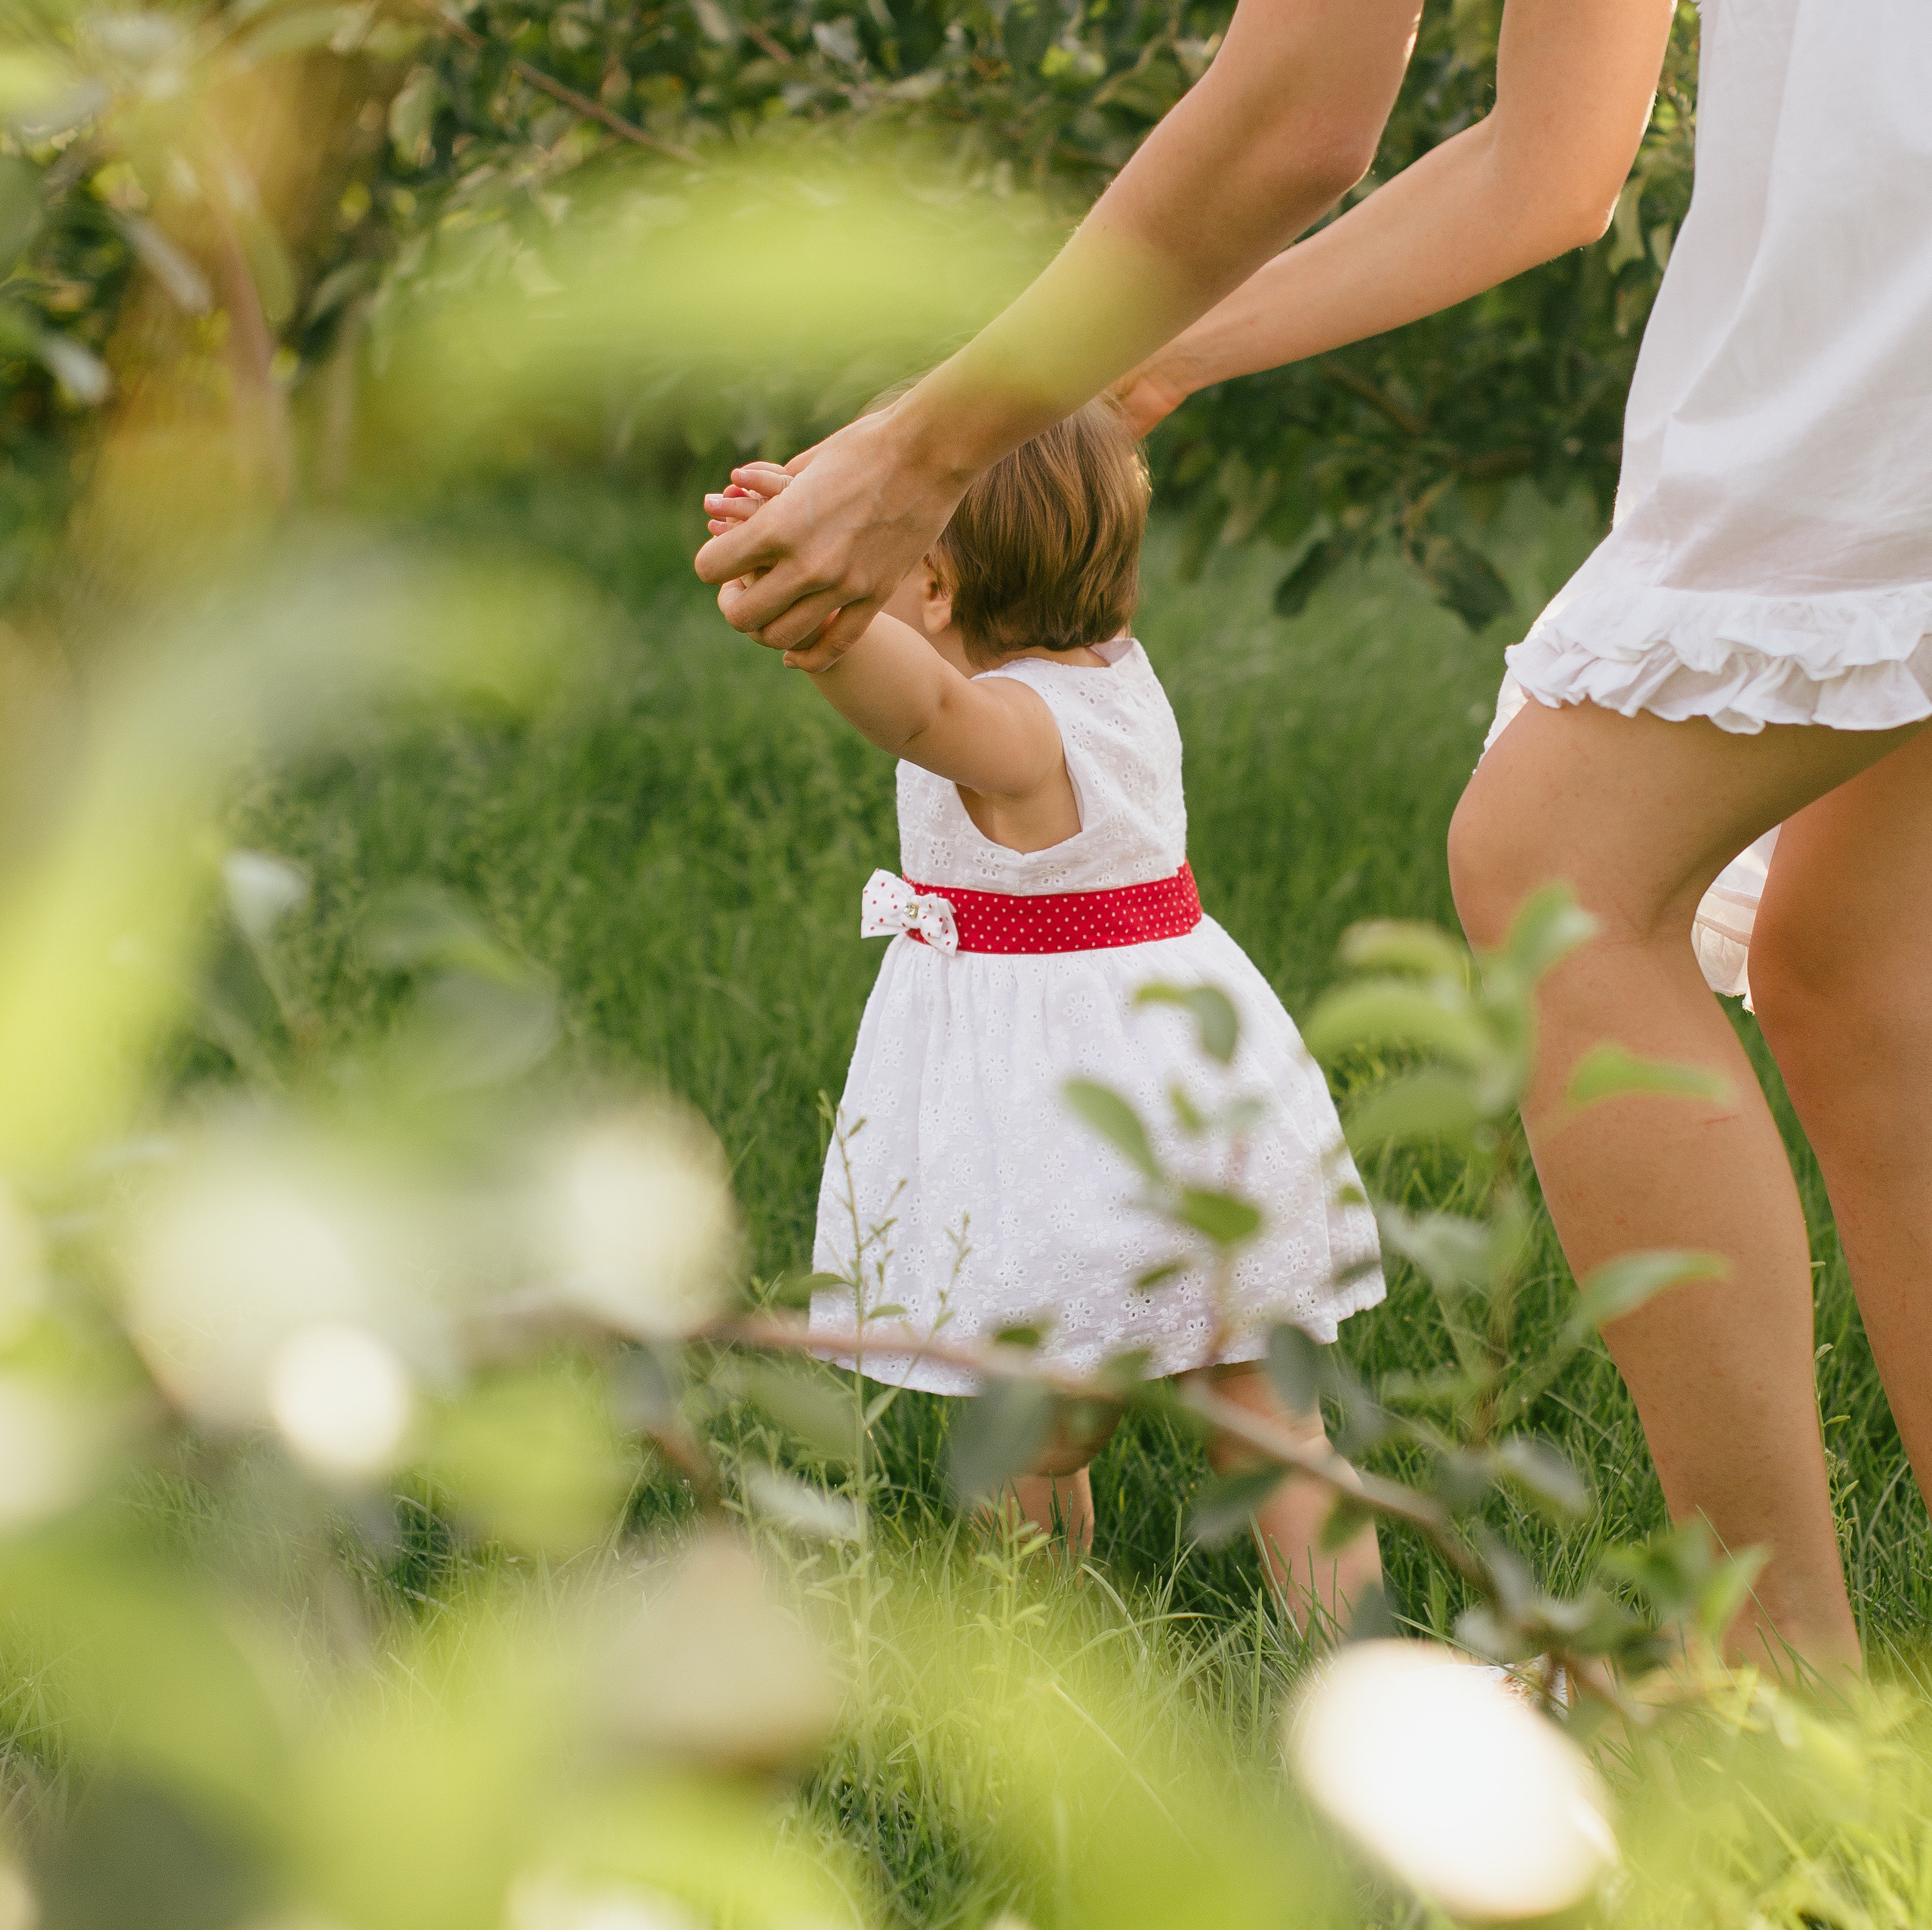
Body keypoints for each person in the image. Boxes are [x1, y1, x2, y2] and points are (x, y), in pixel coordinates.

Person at [699, 0, 1932, 1675]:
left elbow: (1298, 113)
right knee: (1852, 962)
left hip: (1881, 247)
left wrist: (920, 453)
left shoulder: (1032, 714)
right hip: (1867, 217)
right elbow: (1554, 163)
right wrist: (1158, 349)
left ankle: (1774, 1688)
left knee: (1562, 864)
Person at [707, 398, 1386, 1630]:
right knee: (1269, 1415)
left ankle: (1032, 1637)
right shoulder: (1119, 678)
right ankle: (1354, 1645)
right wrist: (819, 519)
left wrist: (805, 601)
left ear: (926, 582)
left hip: (1072, 1136)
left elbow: (918, 709)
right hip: (1201, 1088)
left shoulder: (1009, 732)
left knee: (1036, 1414)